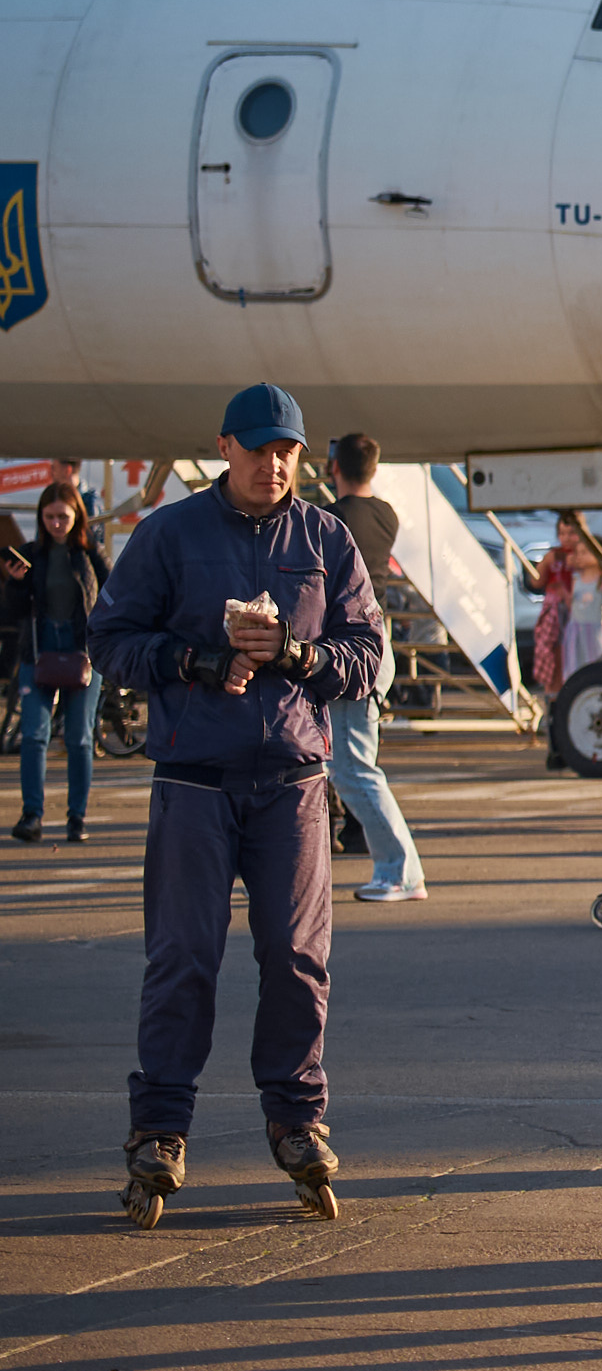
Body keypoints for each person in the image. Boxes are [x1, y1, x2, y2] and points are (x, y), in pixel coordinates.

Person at [89, 384, 384, 1230]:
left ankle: (298, 1118)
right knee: (183, 959)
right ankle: (160, 1131)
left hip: (291, 782)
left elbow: (368, 657)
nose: (273, 463)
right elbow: (110, 639)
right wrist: (194, 662)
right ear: (225, 447)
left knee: (296, 958)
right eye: (257, 449)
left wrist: (296, 652)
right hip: (193, 781)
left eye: (286, 449)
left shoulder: (326, 538)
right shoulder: (170, 534)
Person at [311, 435, 430, 901]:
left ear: (334, 465)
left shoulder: (330, 521)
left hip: (347, 646)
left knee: (353, 769)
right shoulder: (386, 515)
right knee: (352, 766)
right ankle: (398, 869)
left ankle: (401, 871)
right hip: (376, 642)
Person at [11, 476, 111, 845]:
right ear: (40, 517)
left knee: (79, 739)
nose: (56, 524)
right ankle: (32, 815)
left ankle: (76, 817)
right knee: (34, 734)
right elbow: (13, 612)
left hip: (81, 650)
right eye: (50, 517)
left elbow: (115, 598)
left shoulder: (90, 554)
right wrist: (17, 583)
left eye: (63, 517)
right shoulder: (31, 554)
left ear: (76, 518)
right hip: (37, 651)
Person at [530, 509, 602, 694]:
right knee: (558, 654)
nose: (568, 539)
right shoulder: (557, 556)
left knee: (587, 658)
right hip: (563, 615)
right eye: (563, 533)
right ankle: (556, 694)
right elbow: (537, 580)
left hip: (588, 623)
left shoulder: (591, 570)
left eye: (573, 533)